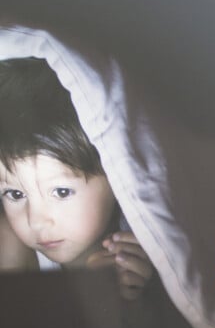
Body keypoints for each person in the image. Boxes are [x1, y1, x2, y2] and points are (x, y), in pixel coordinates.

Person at [0, 57, 153, 300]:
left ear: (115, 176)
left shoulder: (143, 237)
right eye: (15, 194)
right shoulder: (11, 246)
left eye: (61, 192)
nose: (37, 222)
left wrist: (133, 300)